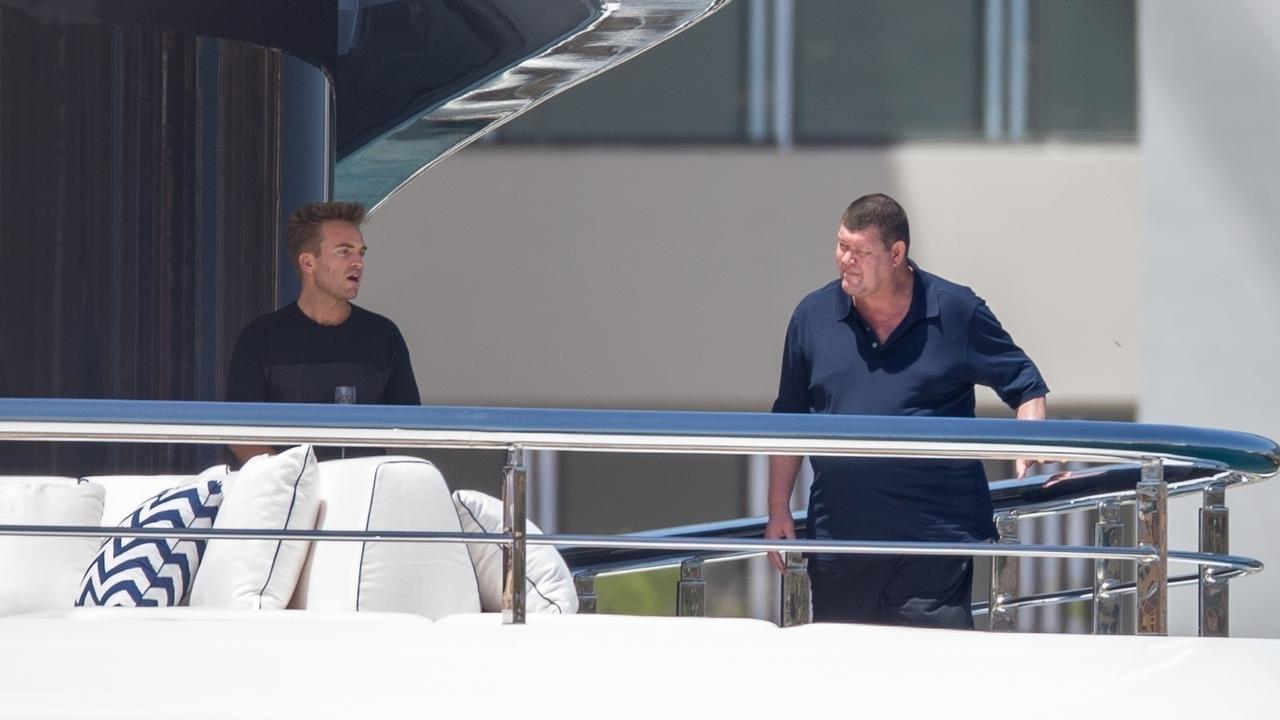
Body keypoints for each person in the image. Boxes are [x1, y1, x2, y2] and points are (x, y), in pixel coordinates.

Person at [765, 193, 1047, 629]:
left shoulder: (956, 311)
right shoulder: (812, 316)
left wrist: (1030, 442)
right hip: (843, 542)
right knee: (849, 681)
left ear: (897, 254)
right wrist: (778, 506)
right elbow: (789, 416)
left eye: (861, 251)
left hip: (935, 543)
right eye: (842, 246)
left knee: (931, 681)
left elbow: (1025, 383)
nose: (846, 260)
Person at [225, 201, 420, 465]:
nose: (358, 263)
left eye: (361, 253)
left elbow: (410, 428)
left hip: (364, 495)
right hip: (286, 496)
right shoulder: (260, 337)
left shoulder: (384, 336)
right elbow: (238, 432)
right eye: (344, 252)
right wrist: (290, 481)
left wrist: (365, 477)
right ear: (308, 262)